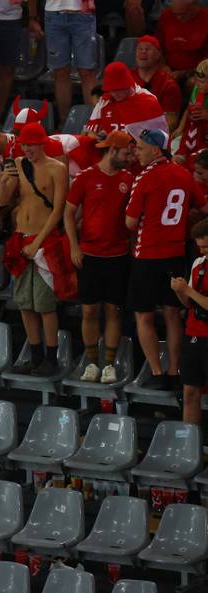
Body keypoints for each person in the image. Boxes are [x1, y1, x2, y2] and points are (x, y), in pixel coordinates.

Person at [127, 129, 208, 391]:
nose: (135, 152)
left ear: (155, 149)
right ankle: (175, 371)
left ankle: (157, 372)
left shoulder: (145, 177)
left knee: (144, 316)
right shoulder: (183, 174)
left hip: (148, 254)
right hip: (175, 254)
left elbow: (129, 222)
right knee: (173, 314)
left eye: (139, 147)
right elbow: (203, 208)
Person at [0, 123, 72, 376]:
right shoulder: (17, 164)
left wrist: (37, 242)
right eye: (24, 145)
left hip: (44, 241)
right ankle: (35, 354)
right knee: (24, 304)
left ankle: (51, 357)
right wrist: (6, 179)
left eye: (32, 145)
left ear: (42, 144)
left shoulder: (57, 168)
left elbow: (58, 211)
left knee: (44, 304)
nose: (27, 150)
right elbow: (1, 200)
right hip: (21, 239)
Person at [64, 130, 134, 383]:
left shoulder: (129, 178)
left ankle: (109, 365)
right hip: (90, 255)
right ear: (112, 150)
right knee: (89, 311)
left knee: (114, 311)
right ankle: (92, 363)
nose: (130, 157)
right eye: (126, 153)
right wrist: (74, 246)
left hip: (117, 256)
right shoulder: (85, 178)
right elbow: (68, 213)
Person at [32, 0, 98, 123]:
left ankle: (94, 125)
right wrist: (33, 17)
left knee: (87, 71)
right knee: (61, 71)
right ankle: (65, 124)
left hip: (83, 14)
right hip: (54, 13)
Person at [172, 218, 208, 425]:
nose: (203, 252)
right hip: (194, 334)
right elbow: (188, 303)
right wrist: (180, 292)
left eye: (206, 247)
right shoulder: (198, 264)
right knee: (189, 394)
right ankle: (188, 445)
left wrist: (188, 291)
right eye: (200, 247)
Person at [85, 61, 168, 140]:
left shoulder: (148, 101)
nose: (113, 94)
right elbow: (89, 133)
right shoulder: (104, 101)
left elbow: (160, 139)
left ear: (128, 84)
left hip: (138, 152)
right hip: (110, 151)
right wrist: (99, 137)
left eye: (117, 90)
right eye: (110, 90)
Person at [131, 35, 182, 133]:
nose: (143, 51)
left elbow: (171, 122)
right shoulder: (126, 79)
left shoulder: (168, 84)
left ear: (158, 55)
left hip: (152, 138)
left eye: (148, 48)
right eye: (140, 48)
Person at [157, 0, 208, 87]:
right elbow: (158, 47)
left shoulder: (205, 19)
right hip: (169, 68)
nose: (178, 18)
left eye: (183, 14)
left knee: (193, 83)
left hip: (196, 71)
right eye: (175, 14)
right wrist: (163, 66)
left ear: (194, 7)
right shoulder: (166, 16)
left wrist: (186, 73)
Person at [173, 59, 208, 169]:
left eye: (202, 81)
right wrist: (180, 128)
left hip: (204, 139)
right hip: (192, 134)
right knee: (175, 160)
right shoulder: (197, 89)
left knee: (192, 163)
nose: (197, 84)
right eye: (197, 80)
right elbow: (188, 110)